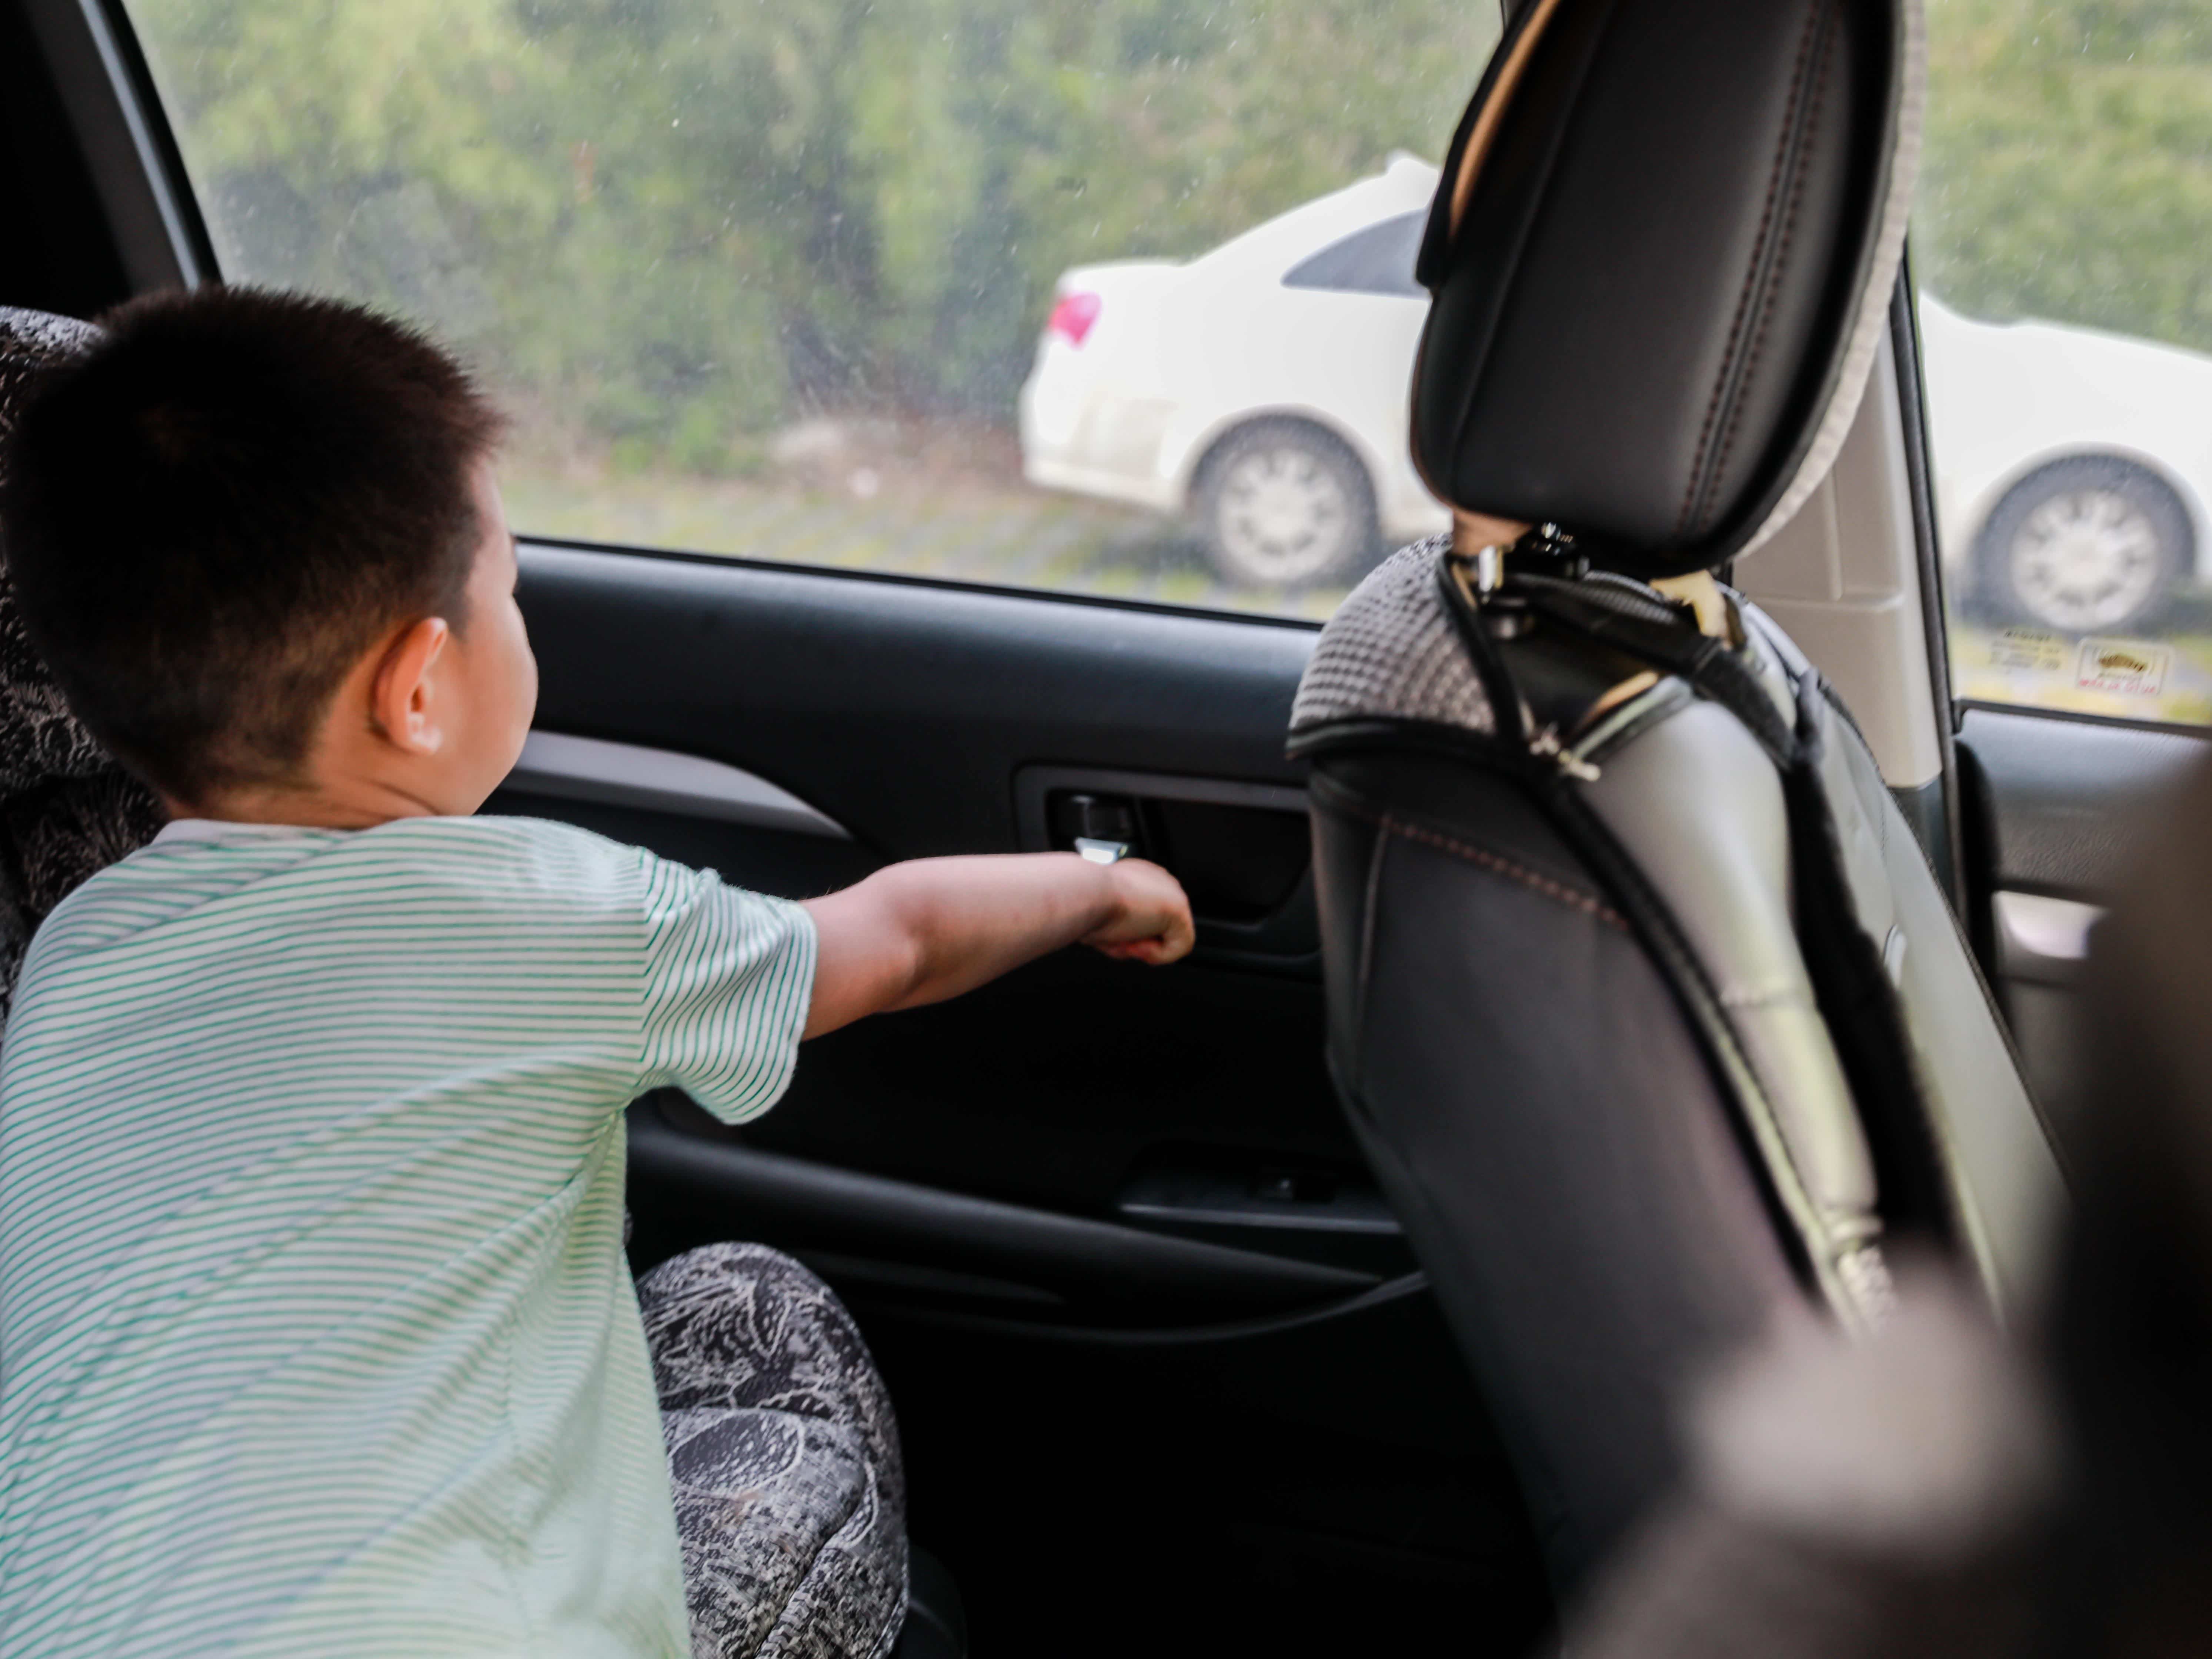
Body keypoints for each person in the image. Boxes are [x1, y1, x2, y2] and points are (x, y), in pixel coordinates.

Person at [0, 287, 1194, 1659]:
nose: (525, 614)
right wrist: (1107, 887)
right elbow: (895, 941)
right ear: (418, 688)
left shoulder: (70, 960)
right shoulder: (553, 911)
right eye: (511, 588)